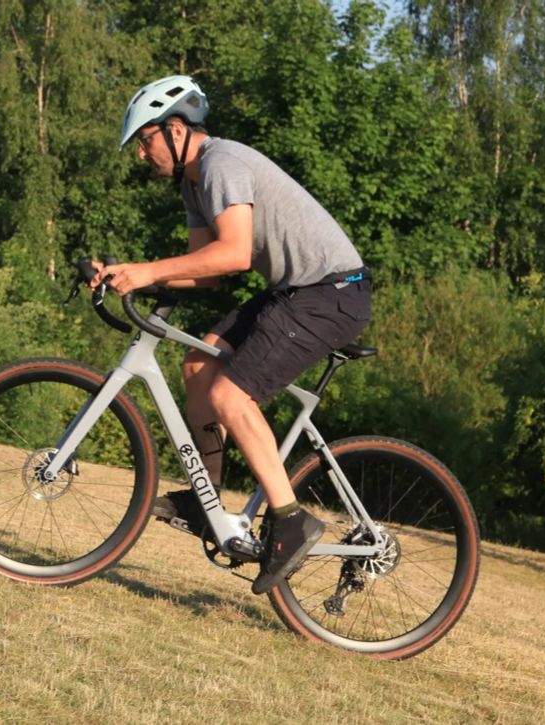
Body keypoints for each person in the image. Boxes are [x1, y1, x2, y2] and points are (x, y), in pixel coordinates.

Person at [93, 75, 371, 595]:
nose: (141, 154)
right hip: (297, 291)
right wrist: (126, 273)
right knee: (199, 365)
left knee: (229, 394)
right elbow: (204, 273)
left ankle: (291, 520)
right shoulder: (193, 183)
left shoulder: (221, 163)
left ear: (176, 130)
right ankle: (208, 500)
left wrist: (148, 271)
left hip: (331, 292)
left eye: (146, 140)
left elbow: (235, 253)